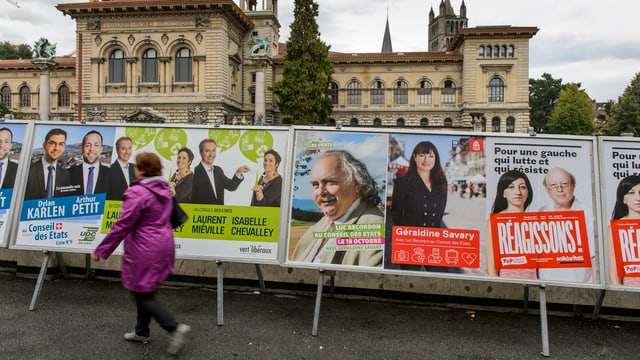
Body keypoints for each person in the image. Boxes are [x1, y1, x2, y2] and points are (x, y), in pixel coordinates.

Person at [91, 152, 191, 355]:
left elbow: (122, 225)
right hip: (164, 244)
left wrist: (102, 249)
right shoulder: (164, 188)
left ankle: (173, 327)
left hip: (144, 248)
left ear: (141, 169)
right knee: (146, 290)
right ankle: (141, 331)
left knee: (142, 294)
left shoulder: (138, 192)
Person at [291, 150, 384, 266]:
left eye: (330, 182)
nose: (320, 192)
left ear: (356, 185)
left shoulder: (374, 228)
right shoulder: (324, 223)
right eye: (315, 185)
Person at [390, 141, 451, 272]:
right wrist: (407, 234)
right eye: (422, 155)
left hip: (434, 242)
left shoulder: (441, 183)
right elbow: (396, 213)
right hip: (410, 241)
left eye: (431, 156)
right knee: (410, 280)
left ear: (436, 159)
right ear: (414, 157)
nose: (426, 160)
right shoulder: (403, 183)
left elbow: (439, 213)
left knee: (440, 277)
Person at [537, 167, 595, 282]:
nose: (560, 189)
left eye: (564, 184)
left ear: (573, 186)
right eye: (553, 185)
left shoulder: (587, 213)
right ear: (547, 190)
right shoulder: (542, 211)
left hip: (578, 287)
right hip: (544, 285)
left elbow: (594, 257)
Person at [486, 170, 536, 279]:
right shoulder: (496, 221)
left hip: (534, 288)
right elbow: (491, 269)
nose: (518, 192)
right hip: (507, 288)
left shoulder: (534, 221)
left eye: (522, 187)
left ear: (528, 193)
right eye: (511, 187)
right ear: (503, 193)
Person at [191, 138, 250, 205]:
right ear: (200, 153)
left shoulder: (218, 170)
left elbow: (231, 186)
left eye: (213, 151)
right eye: (207, 151)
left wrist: (238, 172)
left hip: (219, 213)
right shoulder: (195, 172)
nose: (211, 154)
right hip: (201, 213)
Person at [608, 175, 640, 286]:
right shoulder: (617, 227)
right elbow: (614, 276)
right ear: (623, 198)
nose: (638, 198)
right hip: (629, 294)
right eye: (631, 193)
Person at [25, 128, 72, 200]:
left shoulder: (66, 175)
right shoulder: (28, 171)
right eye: (52, 143)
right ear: (44, 145)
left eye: (61, 144)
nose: (56, 148)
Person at [69, 130, 110, 196]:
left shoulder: (111, 175)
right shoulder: (68, 174)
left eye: (96, 145)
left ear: (101, 149)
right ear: (82, 149)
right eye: (88, 145)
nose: (91, 149)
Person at [106, 136, 137, 201]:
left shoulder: (136, 168)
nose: (127, 152)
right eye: (123, 149)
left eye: (129, 148)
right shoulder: (109, 171)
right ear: (117, 150)